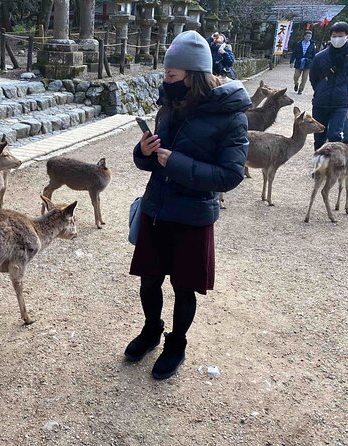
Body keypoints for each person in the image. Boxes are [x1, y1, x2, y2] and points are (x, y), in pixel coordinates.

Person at [125, 31, 250, 380]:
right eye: (166, 75)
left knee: (184, 287)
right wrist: (145, 152)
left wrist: (173, 163)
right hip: (157, 208)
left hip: (193, 215)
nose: (166, 81)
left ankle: (175, 343)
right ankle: (151, 330)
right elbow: (152, 161)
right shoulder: (169, 105)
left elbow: (229, 175)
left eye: (172, 75)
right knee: (149, 280)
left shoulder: (231, 115)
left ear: (193, 75)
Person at [309, 22, 348, 150]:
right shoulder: (320, 57)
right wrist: (320, 89)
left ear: (347, 36)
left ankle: (333, 164)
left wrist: (346, 91)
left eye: (340, 35)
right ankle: (319, 161)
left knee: (334, 134)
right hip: (321, 101)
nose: (337, 38)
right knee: (319, 136)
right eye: (334, 35)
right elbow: (314, 78)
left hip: (341, 102)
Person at [290, 30, 317, 94]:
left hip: (308, 63)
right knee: (296, 76)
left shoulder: (312, 45)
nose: (309, 37)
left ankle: (300, 90)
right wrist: (291, 62)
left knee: (304, 78)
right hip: (299, 62)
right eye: (307, 36)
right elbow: (294, 53)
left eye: (310, 36)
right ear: (304, 36)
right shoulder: (299, 44)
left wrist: (314, 63)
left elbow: (314, 55)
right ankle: (296, 84)